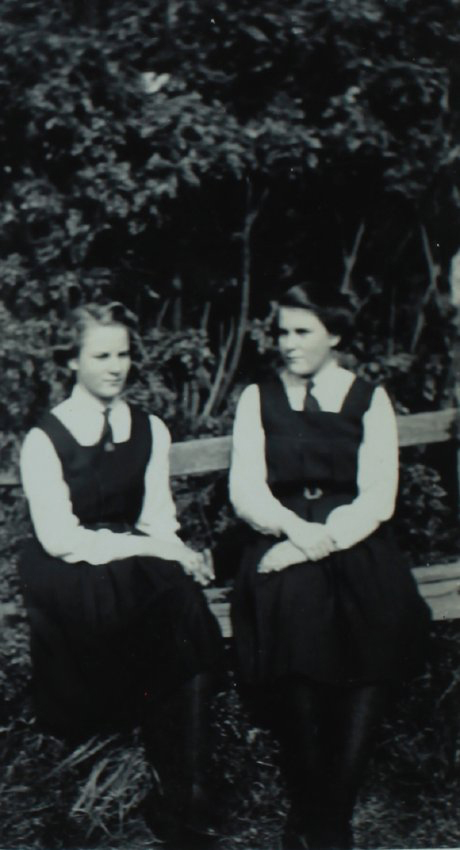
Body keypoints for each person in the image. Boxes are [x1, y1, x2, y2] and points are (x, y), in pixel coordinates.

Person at [229, 284, 431, 850]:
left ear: (335, 336)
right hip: (281, 531)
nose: (287, 345)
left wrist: (322, 541)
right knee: (291, 615)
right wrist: (295, 535)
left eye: (302, 333)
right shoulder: (258, 398)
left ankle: (331, 816)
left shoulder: (368, 397)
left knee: (379, 614)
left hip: (354, 535)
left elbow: (378, 496)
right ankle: (310, 801)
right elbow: (245, 490)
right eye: (283, 332)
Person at [18, 302, 223, 847]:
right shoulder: (47, 438)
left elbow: (158, 517)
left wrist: (179, 553)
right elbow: (60, 538)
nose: (116, 366)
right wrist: (157, 550)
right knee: (167, 604)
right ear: (72, 362)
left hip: (134, 557)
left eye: (124, 354)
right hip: (70, 567)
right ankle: (180, 787)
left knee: (185, 602)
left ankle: (190, 789)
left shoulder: (149, 428)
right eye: (101, 355)